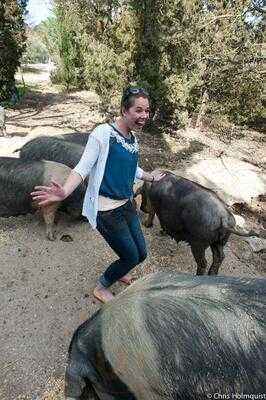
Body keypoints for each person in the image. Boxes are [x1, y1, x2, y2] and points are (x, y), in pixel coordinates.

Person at [31, 86, 165, 303]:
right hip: (107, 210)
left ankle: (121, 270)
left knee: (141, 254)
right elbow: (82, 167)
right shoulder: (104, 133)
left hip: (126, 205)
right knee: (130, 255)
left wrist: (150, 177)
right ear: (124, 110)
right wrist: (64, 191)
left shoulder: (132, 138)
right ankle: (102, 286)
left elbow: (132, 167)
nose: (144, 116)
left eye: (147, 111)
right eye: (138, 110)